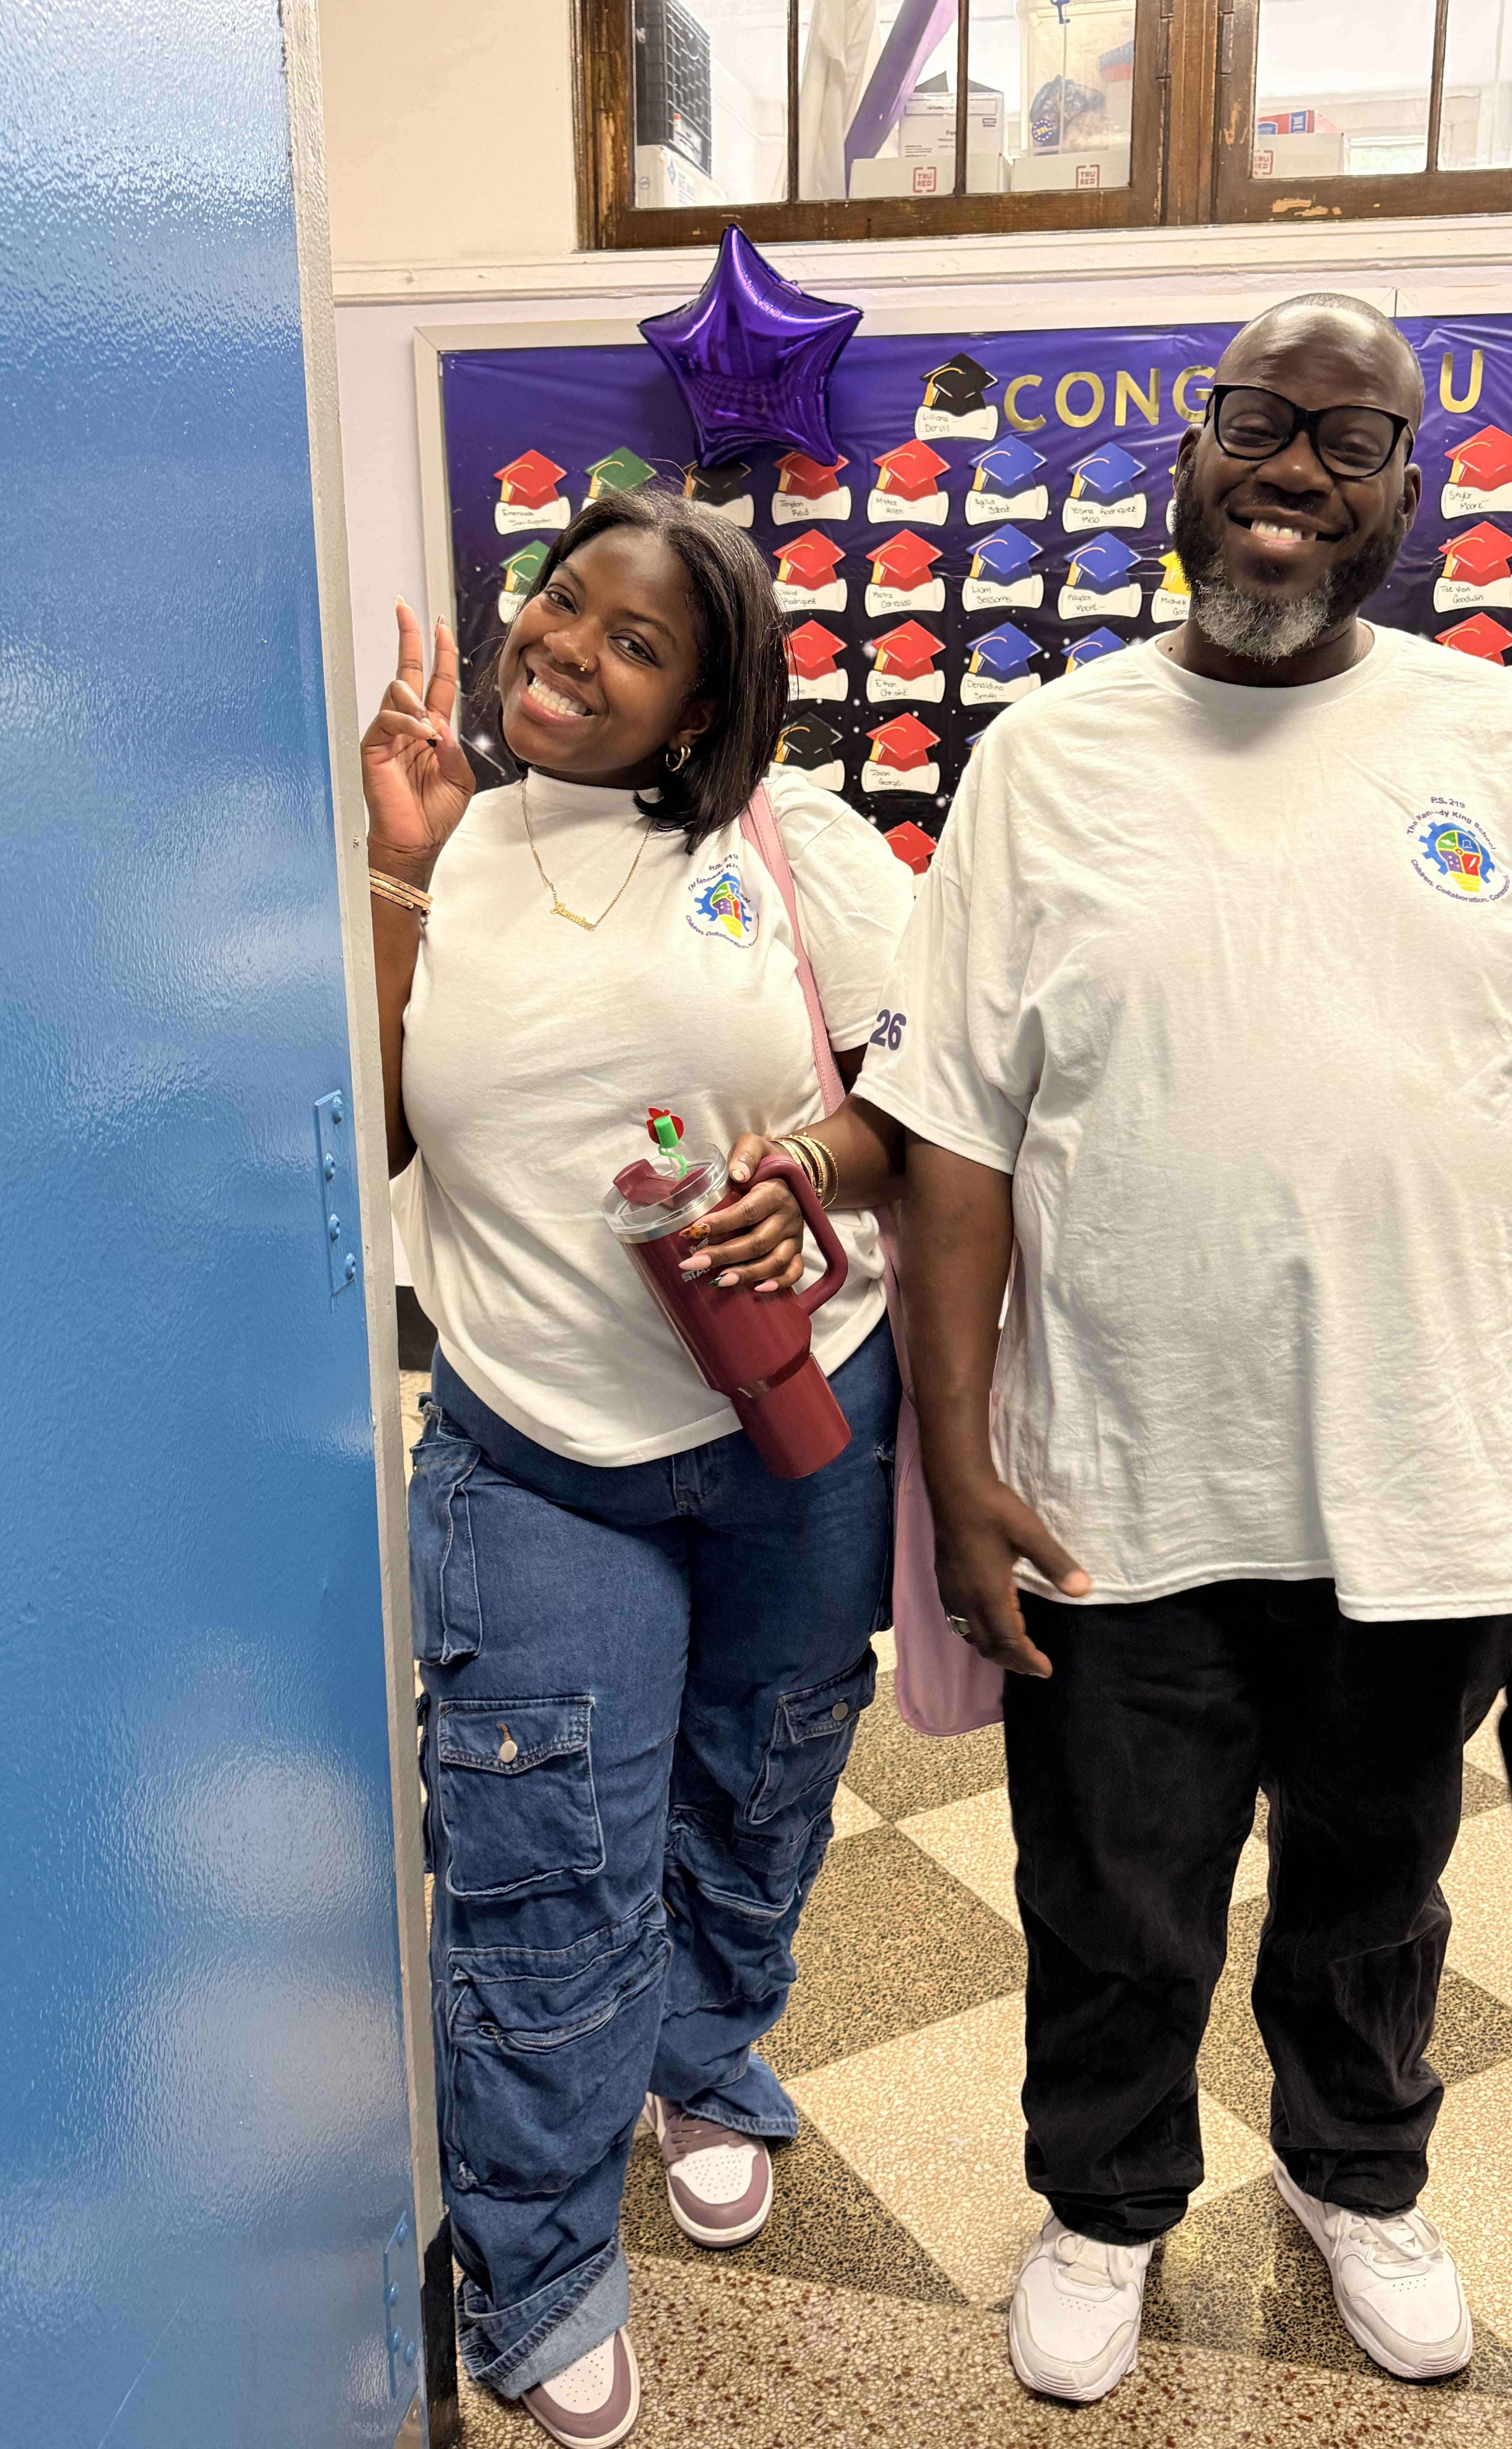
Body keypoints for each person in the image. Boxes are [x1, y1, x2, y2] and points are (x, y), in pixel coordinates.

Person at [857, 293, 1512, 2406]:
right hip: (1118, 1472)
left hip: (1433, 1462)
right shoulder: (1047, 764)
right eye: (1255, 420)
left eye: (1349, 435)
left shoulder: (1499, 746)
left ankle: (1357, 2171)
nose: (1294, 466)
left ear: (1407, 491)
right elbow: (955, 1153)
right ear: (1184, 457)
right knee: (1116, 1893)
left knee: (1376, 1876)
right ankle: (1106, 2202)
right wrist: (955, 1467)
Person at [364, 488, 911, 2448]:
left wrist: (799, 1177)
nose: (567, 649)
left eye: (634, 640)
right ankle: (538, 2255)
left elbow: (919, 1102)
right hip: (538, 1452)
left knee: (760, 1780)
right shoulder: (450, 846)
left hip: (793, 1416)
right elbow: (369, 1120)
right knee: (544, 1856)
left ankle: (709, 2058)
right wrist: (403, 866)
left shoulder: (792, 848)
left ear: (701, 711)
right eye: (560, 601)